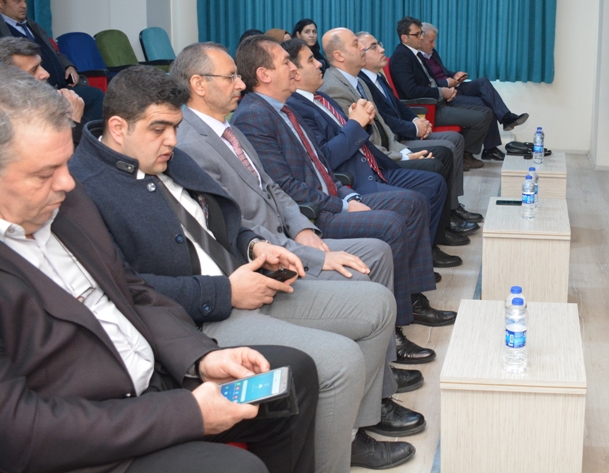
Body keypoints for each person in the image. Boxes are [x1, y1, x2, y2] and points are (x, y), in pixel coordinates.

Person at [67, 65, 418, 471]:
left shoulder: (166, 157)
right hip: (198, 320)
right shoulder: (84, 186)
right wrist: (226, 292)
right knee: (340, 359)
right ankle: (333, 456)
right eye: (158, 129)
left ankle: (346, 433)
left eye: (175, 127)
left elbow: (224, 219)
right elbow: (125, 290)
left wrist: (256, 246)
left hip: (247, 281)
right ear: (117, 128)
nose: (172, 140)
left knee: (377, 304)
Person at [0, 69, 318, 473]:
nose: (67, 182)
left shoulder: (66, 206)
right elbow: (19, 430)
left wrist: (199, 359)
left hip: (159, 379)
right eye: (46, 173)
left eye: (65, 163)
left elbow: (132, 291)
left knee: (291, 376)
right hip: (93, 432)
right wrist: (186, 413)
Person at [170, 42, 438, 369]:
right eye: (230, 77)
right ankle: (379, 362)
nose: (240, 84)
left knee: (379, 251)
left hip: (292, 229)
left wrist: (302, 228)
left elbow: (272, 186)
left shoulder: (229, 127)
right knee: (369, 275)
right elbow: (237, 226)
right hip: (265, 255)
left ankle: (384, 364)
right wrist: (315, 253)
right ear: (199, 84)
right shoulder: (192, 144)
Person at [230, 36, 457, 336]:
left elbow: (319, 165)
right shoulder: (255, 116)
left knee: (411, 203)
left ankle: (411, 299)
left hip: (334, 195)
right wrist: (343, 204)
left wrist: (348, 195)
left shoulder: (283, 108)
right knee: (390, 224)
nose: (295, 68)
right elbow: (285, 186)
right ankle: (397, 324)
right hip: (314, 213)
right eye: (286, 62)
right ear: (264, 74)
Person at [283, 38, 463, 251]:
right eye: (311, 60)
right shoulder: (298, 107)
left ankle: (431, 244)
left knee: (433, 180)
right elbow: (326, 157)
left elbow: (371, 128)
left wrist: (364, 123)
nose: (319, 63)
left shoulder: (322, 97)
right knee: (418, 196)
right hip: (354, 179)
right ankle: (426, 252)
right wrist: (357, 124)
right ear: (295, 72)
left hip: (373, 164)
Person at [356, 31, 481, 227]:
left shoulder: (377, 77)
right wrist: (413, 129)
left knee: (455, 139)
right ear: (360, 55)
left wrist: (416, 120)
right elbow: (384, 120)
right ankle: (447, 215)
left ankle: (453, 206)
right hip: (395, 140)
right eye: (374, 47)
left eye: (379, 44)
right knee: (447, 147)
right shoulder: (362, 82)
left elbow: (398, 105)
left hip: (402, 132)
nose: (382, 49)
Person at [387, 17, 495, 163]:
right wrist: (441, 92)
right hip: (429, 108)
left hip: (438, 100)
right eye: (417, 34)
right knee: (481, 118)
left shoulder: (415, 53)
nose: (421, 37)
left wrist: (446, 90)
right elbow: (411, 91)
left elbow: (430, 81)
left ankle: (465, 154)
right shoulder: (402, 56)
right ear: (404, 38)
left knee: (487, 111)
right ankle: (464, 155)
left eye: (421, 33)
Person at [0, 0, 105, 122]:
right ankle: (77, 131)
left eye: (25, 0)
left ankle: (78, 130)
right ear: (1, 4)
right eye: (17, 0)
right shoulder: (3, 32)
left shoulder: (32, 25)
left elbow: (54, 52)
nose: (24, 5)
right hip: (39, 93)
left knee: (96, 97)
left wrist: (69, 66)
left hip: (62, 86)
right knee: (95, 97)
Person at [421, 22, 529, 150]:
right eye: (431, 41)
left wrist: (455, 75)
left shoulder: (432, 53)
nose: (434, 45)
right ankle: (490, 148)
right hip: (445, 95)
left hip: (454, 87)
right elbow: (427, 84)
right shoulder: (418, 59)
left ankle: (506, 117)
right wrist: (447, 83)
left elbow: (443, 71)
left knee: (483, 82)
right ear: (420, 39)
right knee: (487, 104)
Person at [0, 36, 85, 144]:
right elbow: (61, 154)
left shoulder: (44, 104)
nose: (46, 74)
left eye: (40, 65)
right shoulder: (9, 124)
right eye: (33, 70)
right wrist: (73, 121)